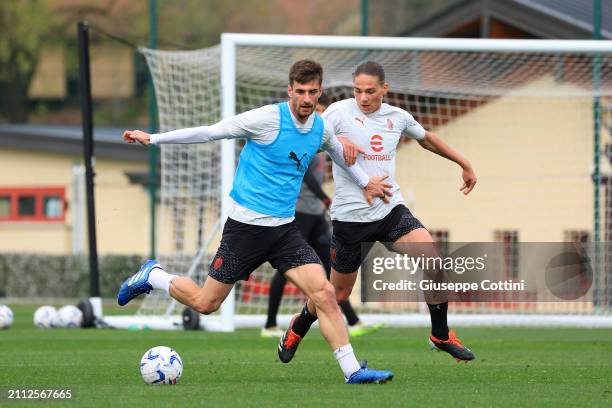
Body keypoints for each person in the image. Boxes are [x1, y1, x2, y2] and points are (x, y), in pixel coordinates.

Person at [117, 60, 394, 384]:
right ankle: (155, 276)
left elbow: (338, 153)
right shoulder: (265, 119)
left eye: (312, 92)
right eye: (300, 91)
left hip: (285, 232)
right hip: (244, 230)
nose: (306, 98)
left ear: (319, 93)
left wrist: (366, 183)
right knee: (206, 303)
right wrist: (154, 138)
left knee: (325, 292)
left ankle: (353, 371)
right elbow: (210, 132)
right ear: (290, 90)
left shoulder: (320, 128)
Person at [278, 61, 477, 364]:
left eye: (370, 91)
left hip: (389, 211)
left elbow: (427, 139)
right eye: (358, 91)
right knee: (337, 295)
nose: (363, 97)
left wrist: (464, 163)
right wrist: (337, 140)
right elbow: (309, 138)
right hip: (349, 222)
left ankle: (440, 334)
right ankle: (298, 326)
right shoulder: (338, 113)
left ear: (385, 89)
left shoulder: (397, 117)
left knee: (433, 259)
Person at [262, 93, 383, 338]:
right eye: (318, 110)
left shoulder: (323, 137)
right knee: (286, 267)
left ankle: (354, 321)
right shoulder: (303, 138)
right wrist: (324, 198)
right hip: (300, 213)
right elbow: (305, 175)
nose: (320, 116)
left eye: (323, 111)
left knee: (332, 266)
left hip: (316, 214)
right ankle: (270, 325)